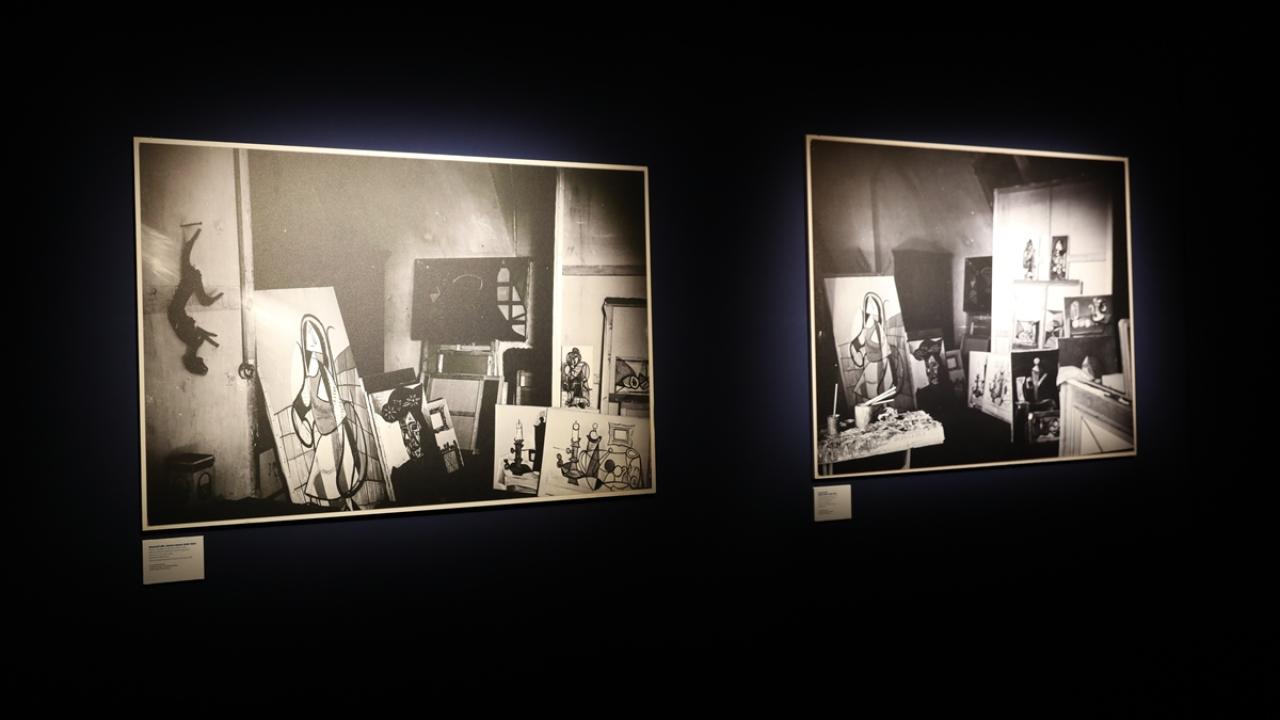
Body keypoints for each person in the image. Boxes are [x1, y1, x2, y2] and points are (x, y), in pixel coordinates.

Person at [290, 315, 365, 507]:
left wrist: (341, 426)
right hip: (326, 432)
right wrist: (301, 418)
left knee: (340, 475)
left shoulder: (323, 373)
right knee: (330, 477)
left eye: (317, 346)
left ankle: (346, 507)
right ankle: (339, 508)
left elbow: (332, 402)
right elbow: (304, 402)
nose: (315, 354)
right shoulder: (312, 377)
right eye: (311, 348)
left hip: (334, 431)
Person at [849, 292, 896, 404]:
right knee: (867, 395)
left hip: (880, 366)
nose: (872, 314)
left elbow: (884, 350)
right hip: (873, 365)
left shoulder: (877, 328)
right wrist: (856, 352)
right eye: (869, 309)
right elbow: (857, 344)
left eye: (874, 308)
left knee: (878, 397)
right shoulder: (867, 329)